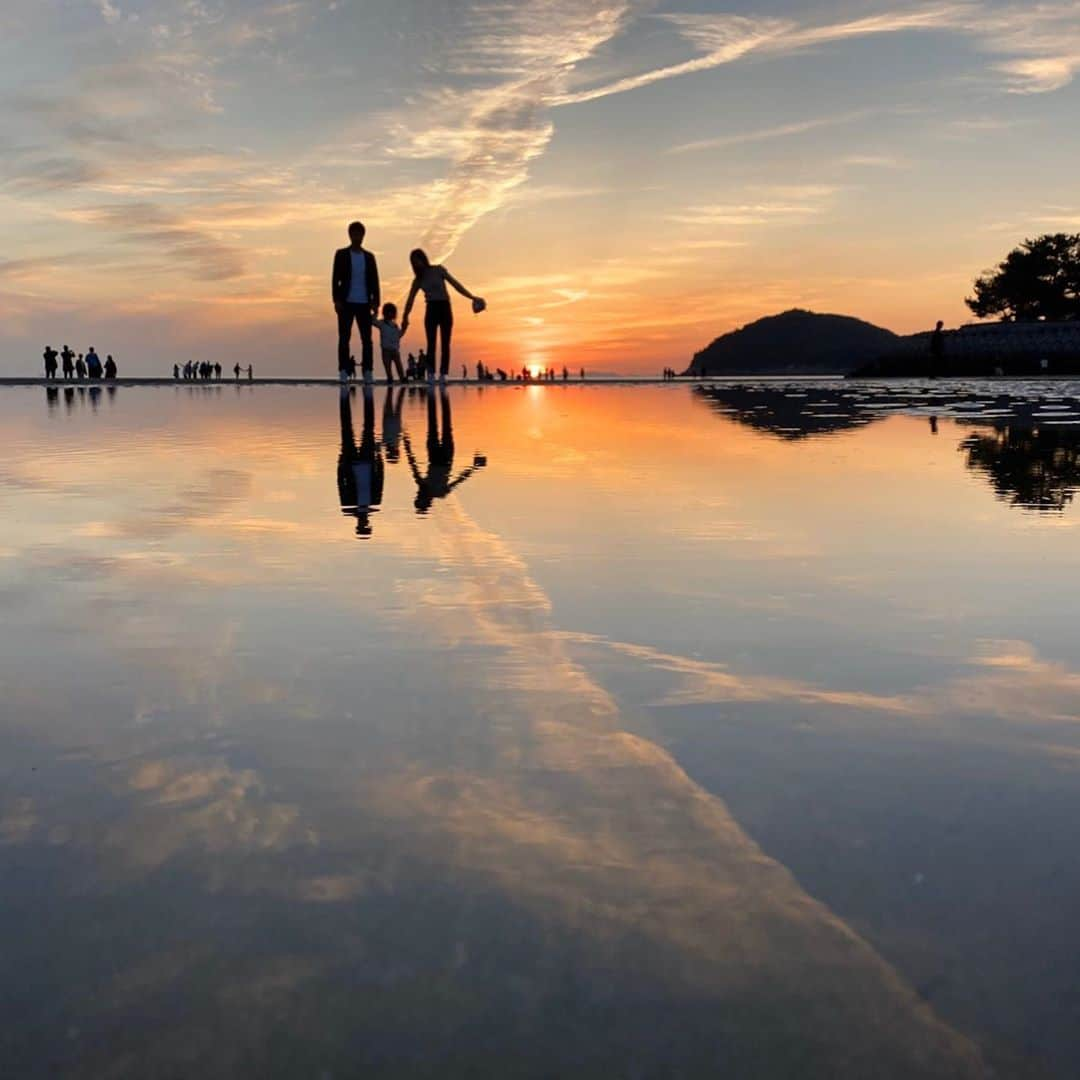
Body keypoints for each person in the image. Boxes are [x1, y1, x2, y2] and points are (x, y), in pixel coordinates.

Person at [401, 248, 485, 384]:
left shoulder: (438, 270)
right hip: (431, 308)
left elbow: (456, 284)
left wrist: (471, 297)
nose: (416, 263)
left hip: (445, 307)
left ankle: (443, 374)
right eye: (413, 262)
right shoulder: (418, 280)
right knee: (431, 344)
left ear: (423, 259)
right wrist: (405, 316)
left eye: (418, 260)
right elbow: (410, 300)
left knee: (446, 343)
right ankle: (431, 373)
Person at [402, 389, 485, 512]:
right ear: (427, 502)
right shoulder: (439, 492)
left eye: (418, 497)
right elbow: (459, 480)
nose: (418, 495)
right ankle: (442, 394)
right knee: (444, 426)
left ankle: (435, 394)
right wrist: (473, 468)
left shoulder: (424, 486)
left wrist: (407, 445)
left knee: (434, 425)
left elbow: (412, 464)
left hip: (434, 456)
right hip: (445, 456)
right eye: (420, 498)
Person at [332, 220, 380, 384]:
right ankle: (343, 371)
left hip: (364, 303)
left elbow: (375, 281)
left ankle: (368, 371)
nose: (357, 237)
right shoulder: (341, 254)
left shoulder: (369, 257)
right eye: (354, 233)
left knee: (367, 339)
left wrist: (376, 302)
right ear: (350, 235)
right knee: (344, 338)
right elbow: (335, 279)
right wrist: (336, 300)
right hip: (346, 302)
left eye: (360, 234)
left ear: (363, 235)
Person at [337, 385, 384, 538]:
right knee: (368, 427)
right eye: (366, 525)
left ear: (359, 525)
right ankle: (367, 395)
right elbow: (380, 481)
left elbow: (340, 483)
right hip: (367, 460)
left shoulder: (347, 507)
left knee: (346, 427)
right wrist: (380, 460)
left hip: (350, 461)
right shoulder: (375, 504)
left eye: (362, 526)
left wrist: (340, 463)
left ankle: (346, 397)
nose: (364, 523)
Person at [373, 302, 406, 383]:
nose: (390, 314)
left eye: (392, 312)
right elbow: (373, 321)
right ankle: (390, 378)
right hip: (386, 349)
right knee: (387, 366)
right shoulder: (382, 323)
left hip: (395, 349)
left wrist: (404, 328)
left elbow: (399, 335)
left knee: (399, 365)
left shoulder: (395, 325)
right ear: (385, 313)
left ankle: (402, 378)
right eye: (388, 312)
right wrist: (375, 313)